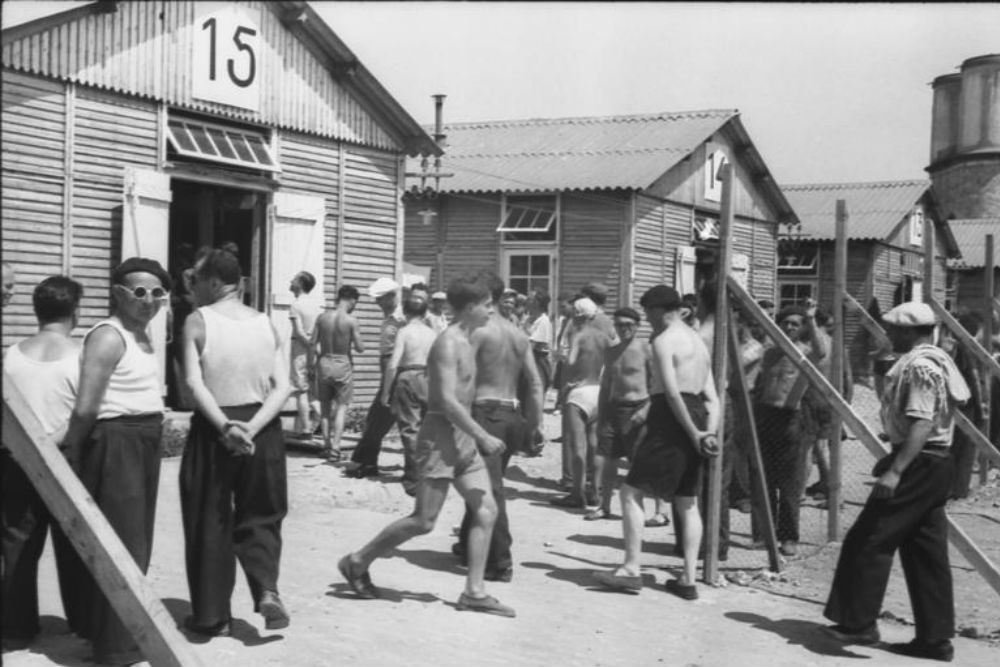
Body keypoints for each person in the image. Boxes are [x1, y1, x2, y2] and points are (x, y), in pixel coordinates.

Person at [338, 273, 516, 617]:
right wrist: (483, 435)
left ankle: (475, 592)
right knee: (423, 521)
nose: (492, 311)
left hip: (463, 438)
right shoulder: (447, 342)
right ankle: (357, 561)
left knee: (486, 509)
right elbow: (447, 401)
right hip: (440, 439)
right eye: (487, 306)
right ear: (469, 308)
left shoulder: (471, 338)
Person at [822, 302, 969, 662]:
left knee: (868, 539)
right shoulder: (937, 359)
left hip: (919, 463)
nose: (888, 335)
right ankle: (935, 640)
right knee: (925, 551)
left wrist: (896, 470)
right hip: (935, 463)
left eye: (893, 330)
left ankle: (859, 624)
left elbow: (921, 423)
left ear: (908, 332)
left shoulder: (919, 367)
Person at [58, 258, 171, 666]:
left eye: (158, 293)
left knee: (136, 542)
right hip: (116, 442)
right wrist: (72, 448)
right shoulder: (108, 336)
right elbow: (87, 406)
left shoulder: (142, 335)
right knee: (121, 542)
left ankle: (117, 635)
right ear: (117, 293)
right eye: (139, 292)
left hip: (142, 440)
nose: (149, 301)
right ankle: (114, 648)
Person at [180, 248, 293, 635]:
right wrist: (254, 427)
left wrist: (228, 427)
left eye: (196, 281)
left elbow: (194, 383)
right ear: (239, 282)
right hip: (264, 427)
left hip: (216, 427)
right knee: (262, 514)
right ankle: (266, 589)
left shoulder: (198, 321)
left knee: (208, 517)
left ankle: (212, 616)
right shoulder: (266, 323)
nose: (193, 289)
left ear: (212, 282)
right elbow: (284, 387)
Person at [594, 285, 720, 600]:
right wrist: (708, 433)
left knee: (630, 491)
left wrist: (691, 433)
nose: (648, 321)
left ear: (655, 311)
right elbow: (713, 398)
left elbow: (672, 392)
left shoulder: (663, 341)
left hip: (671, 417)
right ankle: (688, 578)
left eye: (648, 314)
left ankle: (631, 569)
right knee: (686, 499)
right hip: (700, 416)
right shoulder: (699, 343)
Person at [2, 276, 84, 648]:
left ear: (36, 311)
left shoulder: (11, 353)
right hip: (66, 455)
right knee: (76, 541)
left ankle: (17, 625)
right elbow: (86, 411)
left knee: (18, 540)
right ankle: (83, 621)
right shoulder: (82, 354)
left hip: (16, 455)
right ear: (75, 312)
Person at [453, 274, 544, 581]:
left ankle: (499, 560)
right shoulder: (518, 334)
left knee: (491, 490)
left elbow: (462, 377)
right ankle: (468, 545)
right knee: (480, 480)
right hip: (512, 414)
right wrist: (536, 424)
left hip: (484, 412)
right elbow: (534, 381)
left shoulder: (478, 332)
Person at [751, 303, 826, 557]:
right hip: (765, 416)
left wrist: (812, 318)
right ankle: (766, 533)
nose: (790, 327)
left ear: (801, 327)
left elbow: (822, 350)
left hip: (791, 418)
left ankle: (789, 537)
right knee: (765, 479)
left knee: (790, 483)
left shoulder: (804, 353)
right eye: (786, 323)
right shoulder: (770, 352)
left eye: (795, 323)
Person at [588, 307, 650, 521]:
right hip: (614, 409)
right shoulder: (611, 352)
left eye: (628, 324)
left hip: (638, 408)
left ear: (637, 325)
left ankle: (657, 511)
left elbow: (657, 384)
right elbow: (606, 386)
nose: (624, 329)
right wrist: (601, 416)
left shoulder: (646, 349)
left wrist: (646, 410)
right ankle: (605, 506)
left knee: (641, 462)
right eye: (620, 324)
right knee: (609, 460)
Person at [551, 297, 611, 508]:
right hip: (598, 390)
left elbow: (571, 362)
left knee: (577, 445)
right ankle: (595, 490)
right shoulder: (603, 336)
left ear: (577, 315)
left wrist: (565, 382)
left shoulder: (577, 335)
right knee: (594, 444)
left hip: (579, 392)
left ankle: (577, 492)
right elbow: (611, 361)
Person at [347, 277, 405, 478]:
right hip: (387, 367)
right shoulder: (389, 316)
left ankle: (362, 461)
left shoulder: (402, 317)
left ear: (392, 296)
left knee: (378, 418)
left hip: (396, 369)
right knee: (376, 418)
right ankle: (367, 462)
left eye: (380, 299)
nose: (377, 303)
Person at [382, 294, 436, 495]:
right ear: (424, 313)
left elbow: (393, 363)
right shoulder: (432, 333)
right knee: (426, 428)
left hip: (408, 375)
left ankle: (415, 478)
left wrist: (386, 391)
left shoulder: (404, 332)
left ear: (405, 312)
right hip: (428, 377)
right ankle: (428, 473)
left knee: (410, 428)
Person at [313, 285, 365, 461]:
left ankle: (326, 446)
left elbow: (313, 343)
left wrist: (310, 366)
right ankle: (336, 447)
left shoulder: (322, 318)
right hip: (342, 363)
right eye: (355, 302)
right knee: (342, 407)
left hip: (324, 362)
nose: (354, 306)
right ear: (351, 300)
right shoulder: (351, 320)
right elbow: (359, 348)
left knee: (325, 408)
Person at [949, 310, 986, 499]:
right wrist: (981, 407)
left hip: (957, 402)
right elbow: (975, 381)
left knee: (958, 447)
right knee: (965, 449)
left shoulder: (956, 347)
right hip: (967, 404)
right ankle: (959, 490)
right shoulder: (967, 349)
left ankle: (956, 488)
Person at [288, 271, 322, 440]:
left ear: (300, 283)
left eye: (294, 279)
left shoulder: (296, 305)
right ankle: (323, 420)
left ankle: (306, 429)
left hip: (301, 350)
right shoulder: (316, 305)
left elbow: (299, 332)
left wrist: (309, 347)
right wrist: (315, 348)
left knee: (301, 390)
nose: (291, 281)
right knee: (312, 391)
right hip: (315, 349)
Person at [525, 289, 553, 399]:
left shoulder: (543, 321)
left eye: (529, 299)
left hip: (537, 361)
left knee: (534, 395)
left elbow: (531, 345)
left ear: (536, 303)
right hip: (528, 359)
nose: (526, 301)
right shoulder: (529, 320)